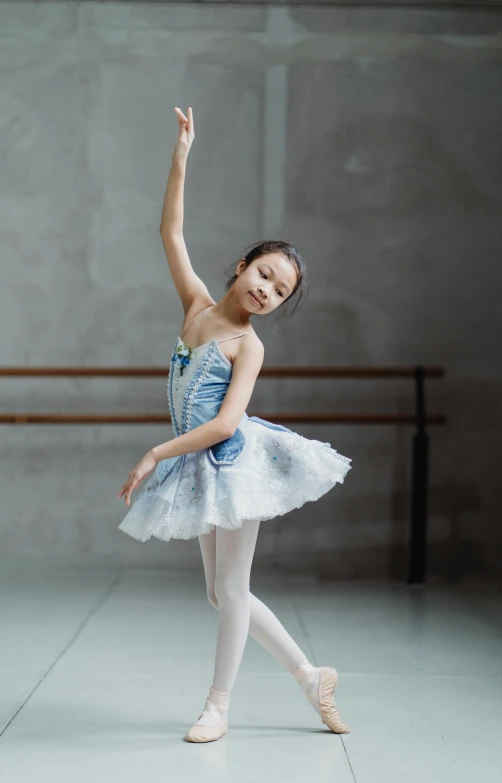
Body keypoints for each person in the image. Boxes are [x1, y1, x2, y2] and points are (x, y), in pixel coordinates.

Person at [117, 107, 353, 743]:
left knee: (230, 587)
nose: (266, 291)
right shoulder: (196, 307)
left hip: (234, 462)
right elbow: (170, 234)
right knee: (224, 595)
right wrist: (181, 157)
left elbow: (226, 424)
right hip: (200, 463)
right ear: (245, 264)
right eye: (265, 274)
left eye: (279, 292)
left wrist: (155, 454)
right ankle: (309, 675)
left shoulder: (248, 348)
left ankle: (218, 705)